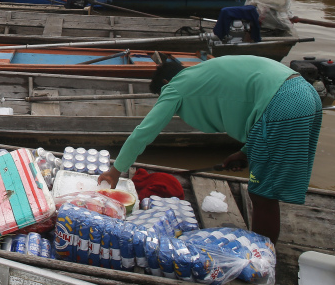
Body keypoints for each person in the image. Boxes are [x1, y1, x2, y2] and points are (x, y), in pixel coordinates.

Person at [97, 54, 322, 243]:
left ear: (166, 82)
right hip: (306, 93)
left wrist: (115, 170)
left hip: (283, 103)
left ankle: (261, 254)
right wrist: (245, 152)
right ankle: (263, 246)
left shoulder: (176, 86)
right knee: (264, 188)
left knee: (262, 193)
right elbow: (253, 105)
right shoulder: (202, 72)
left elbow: (144, 132)